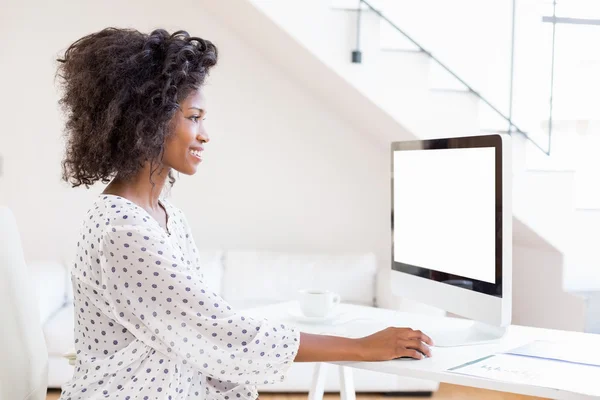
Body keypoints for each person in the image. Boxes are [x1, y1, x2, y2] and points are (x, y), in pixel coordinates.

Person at [56, 27, 433, 400]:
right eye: (194, 117)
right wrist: (362, 347)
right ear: (148, 120)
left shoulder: (164, 213)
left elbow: (196, 343)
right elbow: (218, 332)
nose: (205, 134)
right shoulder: (123, 232)